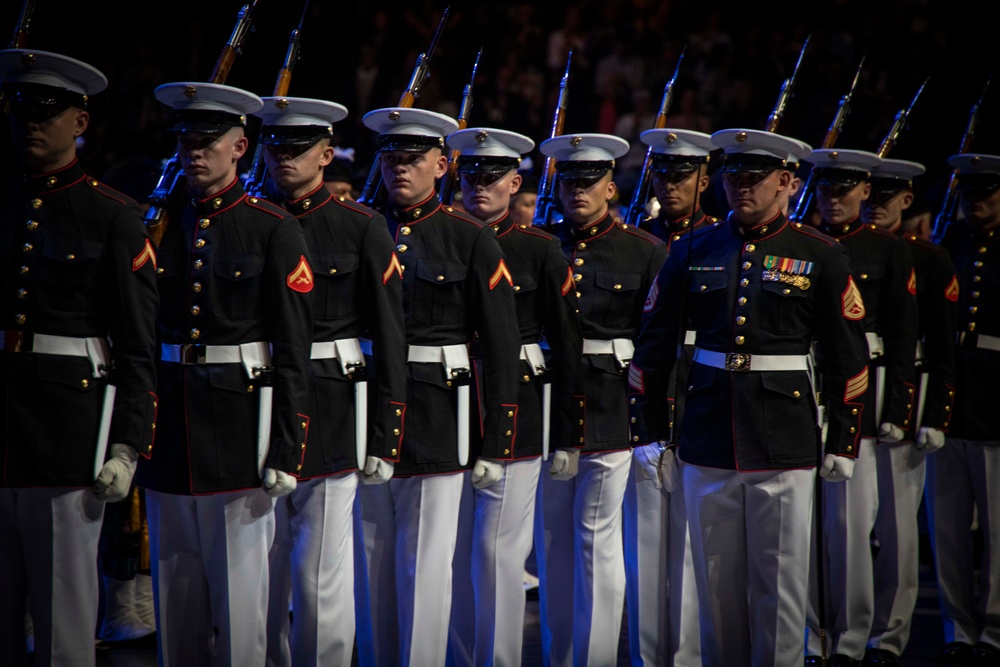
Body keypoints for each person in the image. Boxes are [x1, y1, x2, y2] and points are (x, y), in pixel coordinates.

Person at [630, 128, 870, 666]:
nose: (741, 187)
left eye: (754, 178)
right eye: (734, 176)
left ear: (786, 181)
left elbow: (848, 356)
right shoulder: (693, 248)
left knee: (780, 590)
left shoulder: (819, 253)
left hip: (784, 437)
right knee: (716, 591)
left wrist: (844, 441)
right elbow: (654, 344)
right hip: (708, 434)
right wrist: (648, 433)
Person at [135, 81, 313, 667]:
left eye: (208, 141)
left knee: (241, 614)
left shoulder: (270, 228)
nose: (194, 151)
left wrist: (288, 446)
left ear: (240, 147)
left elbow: (292, 348)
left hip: (242, 431)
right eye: (185, 139)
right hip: (171, 432)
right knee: (176, 608)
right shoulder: (157, 222)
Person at [0, 48, 158, 666]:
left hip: (70, 434)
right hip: (7, 427)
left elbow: (138, 344)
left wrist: (127, 445)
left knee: (65, 619)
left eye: (47, 112)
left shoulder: (112, 217)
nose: (30, 124)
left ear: (81, 122)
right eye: (19, 110)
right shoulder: (6, 203)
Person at [353, 107, 520, 667]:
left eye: (412, 159)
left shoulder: (468, 238)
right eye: (390, 157)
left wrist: (497, 440)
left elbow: (500, 347)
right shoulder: (360, 227)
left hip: (438, 412)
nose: (398, 168)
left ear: (442, 165)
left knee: (424, 569)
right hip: (365, 407)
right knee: (369, 568)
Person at [252, 96, 407, 667]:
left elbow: (390, 338)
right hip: (257, 398)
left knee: (320, 573)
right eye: (276, 147)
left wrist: (386, 434)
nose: (284, 158)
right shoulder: (247, 217)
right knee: (257, 575)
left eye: (298, 149)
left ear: (325, 154)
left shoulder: (361, 226)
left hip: (334, 403)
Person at [445, 126, 581, 666]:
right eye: (471, 175)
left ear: (515, 182)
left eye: (493, 177)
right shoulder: (440, 237)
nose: (481, 185)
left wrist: (568, 432)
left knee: (498, 552)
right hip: (449, 400)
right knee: (450, 553)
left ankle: (497, 659)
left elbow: (566, 346)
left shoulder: (540, 249)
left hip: (519, 406)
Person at [534, 132, 667, 666]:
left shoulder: (644, 250)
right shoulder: (542, 244)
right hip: (548, 404)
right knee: (553, 547)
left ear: (611, 187)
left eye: (589, 183)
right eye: (568, 182)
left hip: (612, 405)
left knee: (597, 539)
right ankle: (558, 657)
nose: (577, 192)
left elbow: (655, 342)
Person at [806, 148, 918, 667]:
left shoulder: (887, 251)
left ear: (865, 191)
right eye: (826, 189)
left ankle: (851, 640)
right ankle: (810, 636)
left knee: (851, 527)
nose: (834, 198)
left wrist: (898, 407)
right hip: (805, 386)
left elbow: (902, 337)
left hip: (860, 391)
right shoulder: (803, 243)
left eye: (844, 188)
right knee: (803, 530)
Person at [628, 127, 720, 667]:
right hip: (649, 396)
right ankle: (648, 656)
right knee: (646, 548)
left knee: (693, 548)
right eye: (662, 173)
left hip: (701, 393)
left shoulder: (716, 239)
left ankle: (686, 657)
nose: (670, 183)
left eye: (682, 174)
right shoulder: (640, 239)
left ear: (704, 179)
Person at [860, 158, 957, 666]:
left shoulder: (927, 258)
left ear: (906, 200)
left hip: (902, 388)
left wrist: (935, 413)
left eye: (887, 195)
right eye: (868, 193)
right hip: (851, 390)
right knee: (848, 527)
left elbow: (941, 346)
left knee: (897, 527)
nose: (875, 202)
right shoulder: (840, 246)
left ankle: (888, 637)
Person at [927, 152, 1000, 664]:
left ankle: (993, 626)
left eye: (986, 194)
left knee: (997, 526)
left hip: (997, 393)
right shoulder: (947, 246)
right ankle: (957, 625)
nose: (976, 203)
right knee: (947, 525)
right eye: (969, 193)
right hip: (950, 389)